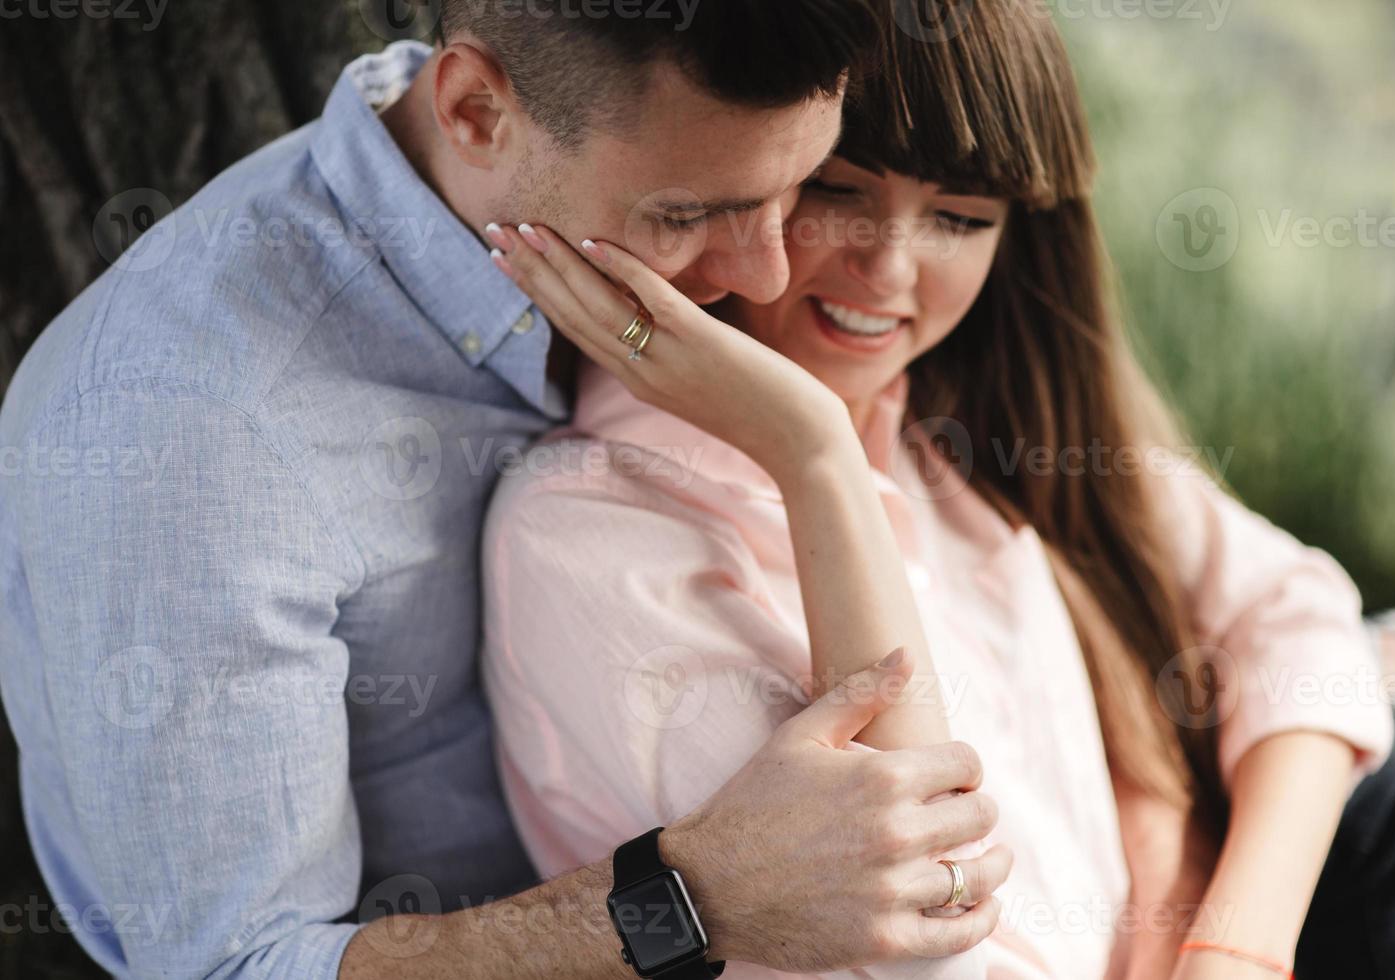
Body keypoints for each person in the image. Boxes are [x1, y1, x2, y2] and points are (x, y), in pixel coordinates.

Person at [0, 4, 1008, 977]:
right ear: (476, 111)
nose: (765, 276)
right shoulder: (192, 436)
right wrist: (700, 894)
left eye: (801, 185)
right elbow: (236, 965)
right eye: (690, 214)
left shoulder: (586, 166)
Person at [482, 1, 1395, 977]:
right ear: (750, 170)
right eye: (835, 191)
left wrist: (1232, 943)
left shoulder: (939, 423)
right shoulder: (591, 532)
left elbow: (1296, 610)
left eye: (959, 217)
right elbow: (924, 950)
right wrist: (814, 459)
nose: (891, 269)